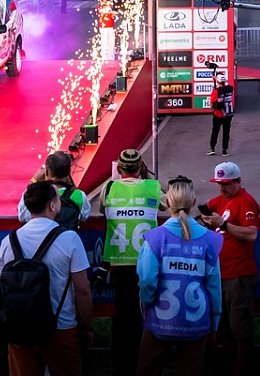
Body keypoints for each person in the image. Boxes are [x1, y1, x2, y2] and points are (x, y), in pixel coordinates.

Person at [0, 181, 94, 376]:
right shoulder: (70, 239)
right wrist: (88, 327)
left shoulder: (8, 241)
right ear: (52, 206)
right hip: (61, 327)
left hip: (18, 328)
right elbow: (82, 289)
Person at [137, 178, 222, 376]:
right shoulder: (210, 239)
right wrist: (214, 321)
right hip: (197, 322)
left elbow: (147, 280)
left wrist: (147, 304)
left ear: (167, 204)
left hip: (160, 320)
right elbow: (214, 287)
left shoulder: (155, 238)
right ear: (193, 203)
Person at [99, 148, 161, 376]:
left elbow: (102, 209)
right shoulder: (152, 187)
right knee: (143, 315)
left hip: (118, 262)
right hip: (146, 262)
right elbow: (163, 206)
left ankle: (120, 366)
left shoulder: (109, 188)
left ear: (120, 168)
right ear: (141, 167)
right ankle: (141, 364)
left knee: (122, 316)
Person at [201, 162, 260, 376]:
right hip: (220, 274)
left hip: (239, 274)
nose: (221, 189)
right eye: (218, 184)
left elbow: (252, 234)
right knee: (223, 325)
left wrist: (224, 225)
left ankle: (242, 367)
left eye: (226, 184)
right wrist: (203, 221)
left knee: (241, 327)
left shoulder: (246, 202)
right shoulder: (221, 200)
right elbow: (203, 209)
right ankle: (232, 361)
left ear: (238, 181)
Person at [19, 150, 91, 225]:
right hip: (67, 236)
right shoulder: (79, 196)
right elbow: (84, 217)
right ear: (68, 172)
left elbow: (22, 216)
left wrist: (33, 181)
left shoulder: (34, 194)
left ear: (46, 171)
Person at [208, 72, 235, 156]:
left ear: (218, 81)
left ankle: (212, 148)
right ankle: (224, 150)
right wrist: (216, 79)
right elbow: (224, 87)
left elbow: (212, 103)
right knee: (226, 132)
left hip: (218, 114)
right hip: (228, 114)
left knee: (215, 131)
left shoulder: (216, 91)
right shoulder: (230, 88)